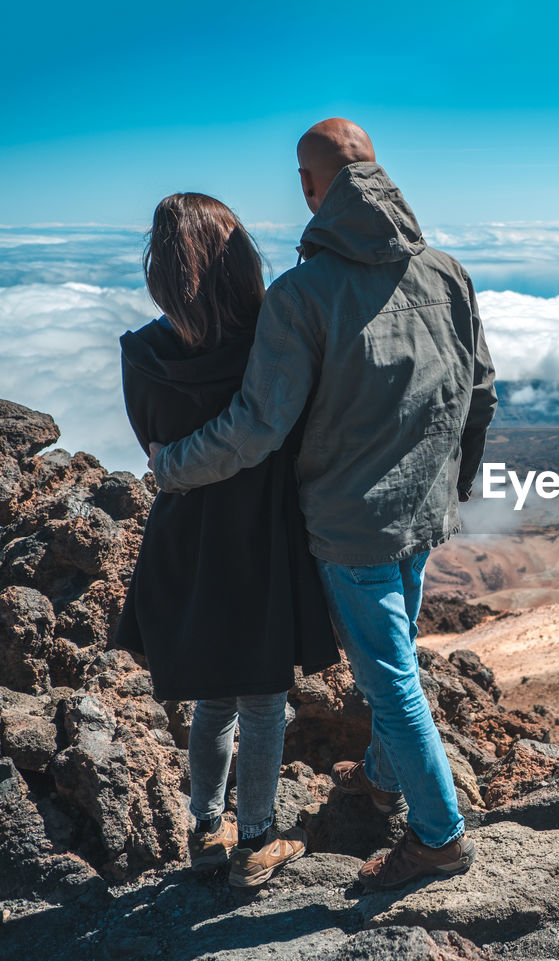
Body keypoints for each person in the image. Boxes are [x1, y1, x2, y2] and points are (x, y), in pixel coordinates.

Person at [149, 118, 498, 890]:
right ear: (376, 170)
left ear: (312, 188)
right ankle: (382, 777)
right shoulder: (448, 272)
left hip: (353, 528)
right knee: (398, 658)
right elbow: (480, 394)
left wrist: (172, 464)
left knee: (388, 679)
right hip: (423, 514)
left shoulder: (303, 294)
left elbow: (256, 427)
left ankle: (438, 835)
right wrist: (456, 482)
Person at [116, 192, 340, 888]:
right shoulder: (267, 342)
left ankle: (206, 827)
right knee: (263, 693)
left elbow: (153, 445)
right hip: (263, 535)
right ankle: (259, 839)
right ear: (240, 264)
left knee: (215, 694)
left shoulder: (144, 354)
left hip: (187, 538)